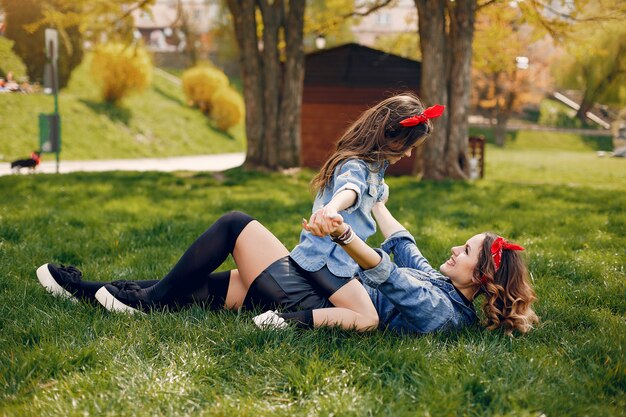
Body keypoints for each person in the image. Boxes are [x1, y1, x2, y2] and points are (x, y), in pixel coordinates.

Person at [37, 205, 539, 335]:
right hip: (313, 289)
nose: (455, 248)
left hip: (314, 299)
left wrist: (343, 236)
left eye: (467, 250)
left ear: (483, 279)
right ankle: (82, 291)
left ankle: (138, 304)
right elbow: (404, 246)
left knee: (237, 225)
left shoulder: (441, 312)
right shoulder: (442, 286)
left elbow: (390, 272)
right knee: (198, 292)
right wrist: (375, 192)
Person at [288, 93, 444, 326]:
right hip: (327, 264)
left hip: (339, 264)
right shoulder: (355, 164)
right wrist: (331, 208)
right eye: (409, 146)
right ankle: (281, 321)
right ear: (390, 135)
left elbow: (374, 196)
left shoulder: (375, 169)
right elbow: (351, 189)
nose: (409, 153)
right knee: (368, 319)